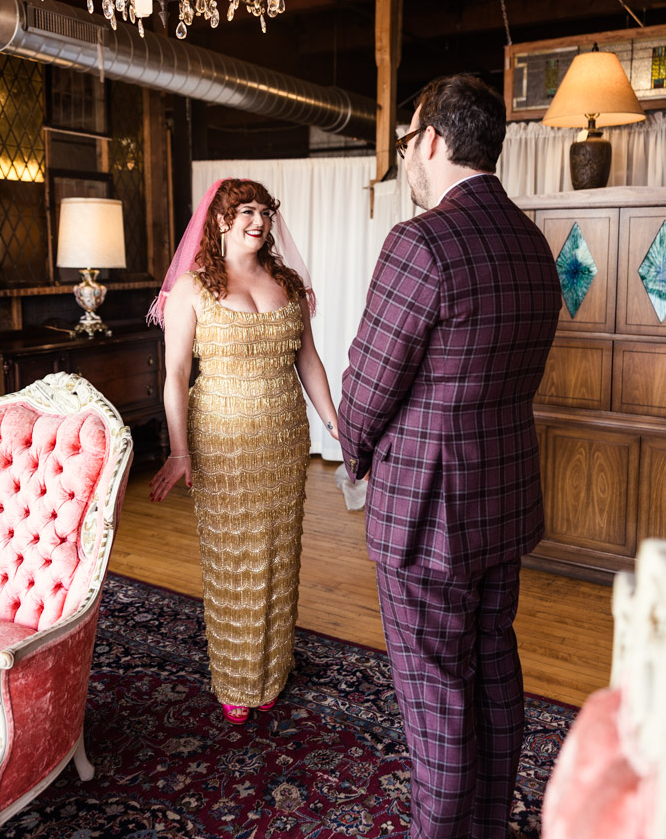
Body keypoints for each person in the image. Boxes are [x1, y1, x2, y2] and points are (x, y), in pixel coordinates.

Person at [338, 74, 562, 839]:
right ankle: (489, 826)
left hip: (426, 514)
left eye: (406, 142)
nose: (407, 159)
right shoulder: (532, 242)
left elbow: (366, 388)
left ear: (431, 140)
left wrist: (352, 454)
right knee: (492, 664)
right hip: (502, 499)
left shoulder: (421, 240)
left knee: (435, 692)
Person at [149, 178, 338, 725]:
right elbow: (177, 374)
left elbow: (309, 362)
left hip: (283, 441)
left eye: (264, 211)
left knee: (279, 555)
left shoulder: (288, 283)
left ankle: (272, 668)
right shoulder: (192, 288)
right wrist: (179, 451)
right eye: (245, 211)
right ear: (218, 220)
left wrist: (335, 424)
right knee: (234, 559)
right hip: (223, 444)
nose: (258, 221)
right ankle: (235, 676)